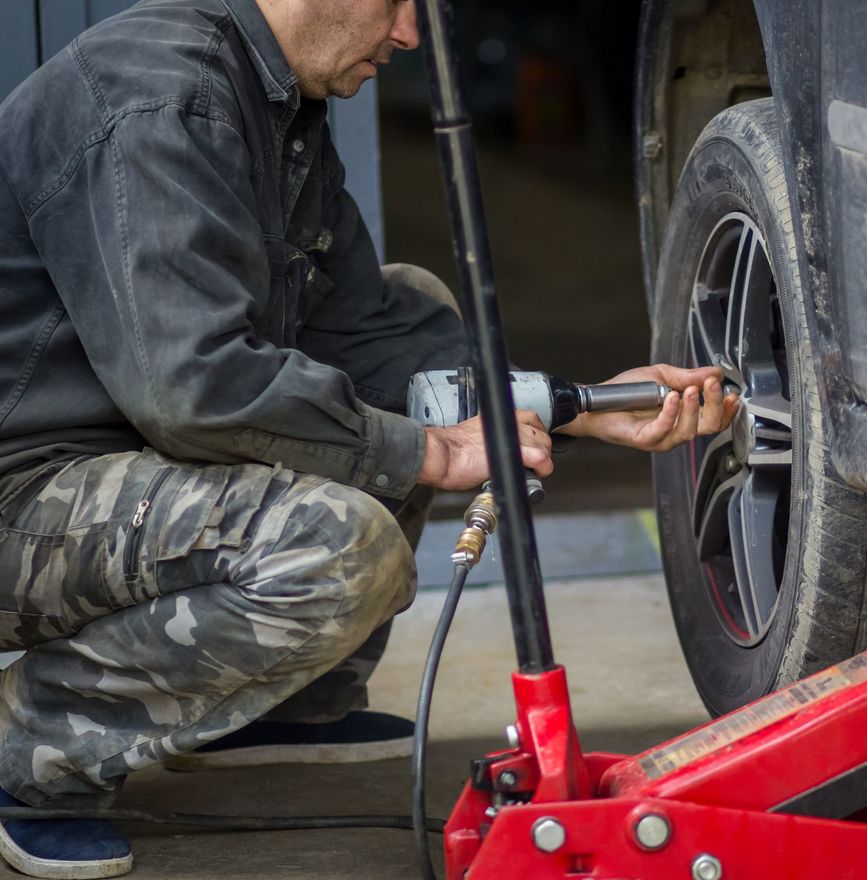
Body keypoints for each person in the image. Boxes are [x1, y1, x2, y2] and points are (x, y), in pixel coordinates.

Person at [0, 1, 736, 876]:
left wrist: (581, 405)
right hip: (26, 495)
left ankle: (283, 703)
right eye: (399, 3)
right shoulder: (160, 100)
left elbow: (377, 337)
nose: (411, 37)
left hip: (118, 463)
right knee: (335, 548)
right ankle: (31, 754)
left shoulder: (271, 100)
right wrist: (429, 454)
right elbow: (192, 390)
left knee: (417, 304)